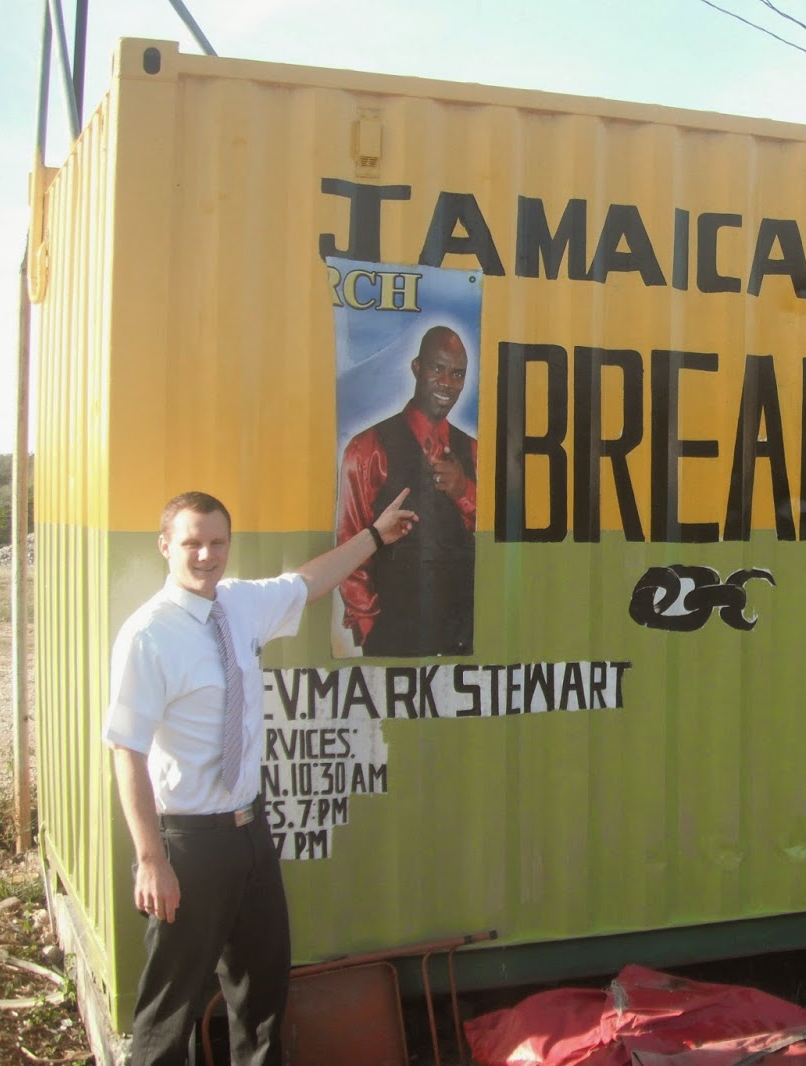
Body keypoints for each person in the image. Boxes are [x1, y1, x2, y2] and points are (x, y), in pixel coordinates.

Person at [103, 488, 418, 1065]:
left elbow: (309, 581)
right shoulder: (148, 635)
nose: (206, 555)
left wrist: (374, 536)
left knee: (262, 992)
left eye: (217, 542)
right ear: (165, 546)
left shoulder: (240, 604)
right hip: (188, 842)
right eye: (192, 543)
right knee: (171, 1006)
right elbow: (127, 749)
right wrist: (151, 860)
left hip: (250, 831)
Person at [336, 324, 476, 656]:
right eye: (437, 368)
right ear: (417, 367)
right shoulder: (367, 448)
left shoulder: (472, 451)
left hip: (462, 642)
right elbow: (350, 545)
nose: (447, 382)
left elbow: (496, 541)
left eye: (457, 374)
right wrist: (371, 629)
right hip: (393, 640)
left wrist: (463, 491)